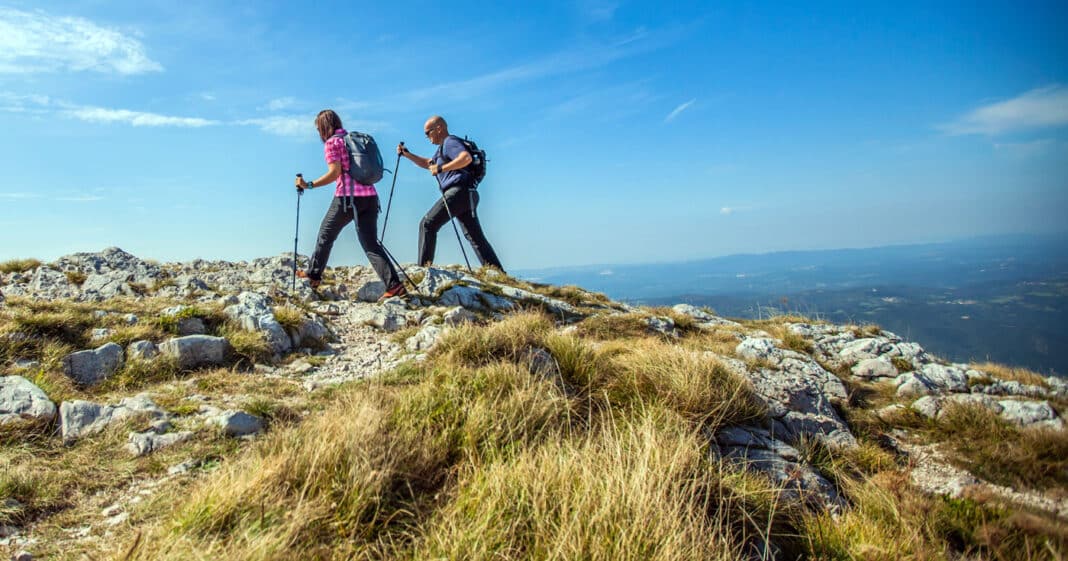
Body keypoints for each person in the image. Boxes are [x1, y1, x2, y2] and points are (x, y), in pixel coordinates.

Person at [296, 109, 406, 300]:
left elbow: (334, 173)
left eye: (318, 129)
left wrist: (309, 184)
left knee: (325, 234)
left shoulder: (333, 143)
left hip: (347, 198)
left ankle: (313, 276)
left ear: (323, 127)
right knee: (371, 243)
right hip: (370, 198)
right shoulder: (352, 140)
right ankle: (394, 286)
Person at [397, 116, 505, 272]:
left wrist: (441, 169)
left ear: (439, 128)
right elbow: (429, 163)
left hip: (458, 193)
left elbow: (465, 158)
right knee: (475, 237)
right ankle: (498, 273)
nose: (427, 137)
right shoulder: (442, 149)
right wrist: (407, 154)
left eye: (428, 133)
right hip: (468, 194)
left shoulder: (450, 142)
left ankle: (424, 269)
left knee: (427, 224)